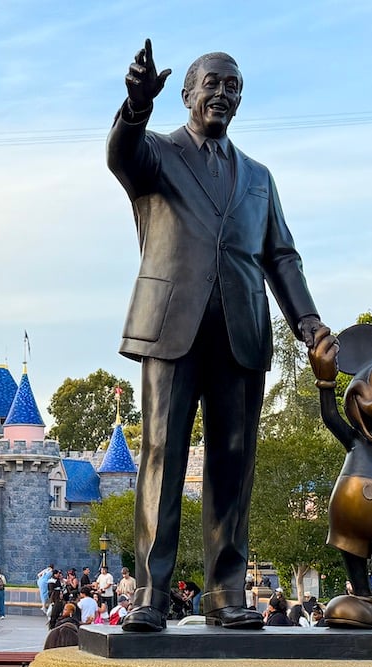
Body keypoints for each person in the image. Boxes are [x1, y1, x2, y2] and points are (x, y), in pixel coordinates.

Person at [108, 41, 325, 633]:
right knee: (160, 456)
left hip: (242, 333)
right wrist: (134, 106)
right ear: (186, 93)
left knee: (234, 462)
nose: (223, 94)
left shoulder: (258, 178)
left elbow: (281, 256)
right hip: (170, 328)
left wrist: (308, 324)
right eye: (213, 83)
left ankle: (227, 592)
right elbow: (120, 156)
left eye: (234, 87)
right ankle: (151, 594)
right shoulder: (156, 154)